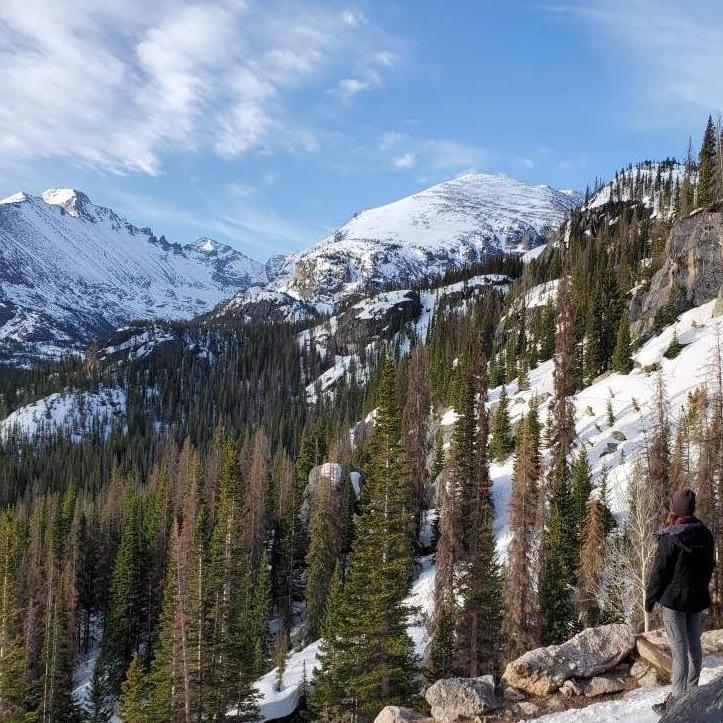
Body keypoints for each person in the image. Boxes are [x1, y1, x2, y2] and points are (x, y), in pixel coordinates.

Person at [646, 488, 715, 715]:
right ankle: (691, 695)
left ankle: (676, 704)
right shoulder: (705, 533)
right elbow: (709, 567)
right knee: (694, 648)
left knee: (679, 652)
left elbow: (660, 572)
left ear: (676, 509)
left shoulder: (671, 536)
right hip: (696, 599)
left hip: (674, 602)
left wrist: (651, 597)